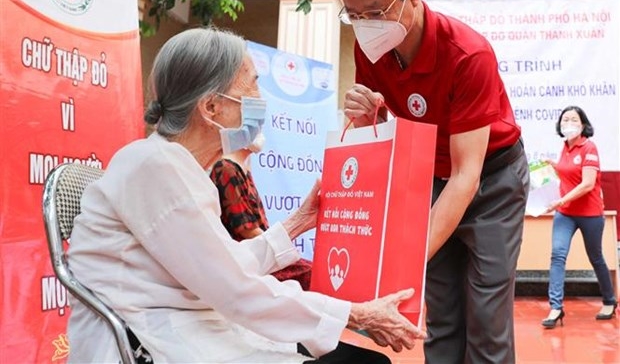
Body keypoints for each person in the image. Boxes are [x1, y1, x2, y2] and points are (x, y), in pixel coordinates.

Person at [66, 26, 426, 364]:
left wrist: (300, 221)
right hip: (152, 343)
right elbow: (236, 289)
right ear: (210, 108)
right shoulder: (155, 165)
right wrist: (357, 314)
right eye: (252, 87)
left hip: (189, 326)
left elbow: (225, 266)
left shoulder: (177, 166)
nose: (259, 100)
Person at [335, 0, 529, 364]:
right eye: (353, 15)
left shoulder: (468, 55)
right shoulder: (371, 49)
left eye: (374, 11)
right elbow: (386, 129)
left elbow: (467, 175)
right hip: (433, 176)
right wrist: (366, 114)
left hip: (492, 179)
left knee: (486, 313)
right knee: (440, 313)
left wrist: (406, 256)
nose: (365, 25)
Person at [541, 105, 617, 328]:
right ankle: (555, 307)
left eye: (573, 120)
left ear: (583, 124)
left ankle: (609, 301)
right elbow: (568, 174)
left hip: (590, 214)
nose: (569, 124)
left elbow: (587, 184)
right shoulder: (565, 147)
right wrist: (554, 166)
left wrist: (561, 200)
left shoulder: (589, 147)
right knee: (557, 255)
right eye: (565, 120)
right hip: (565, 214)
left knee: (595, 257)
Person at [210, 144, 313, 290]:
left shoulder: (243, 170)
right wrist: (277, 248)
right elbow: (247, 230)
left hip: (260, 252)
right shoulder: (226, 169)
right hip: (248, 258)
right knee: (311, 274)